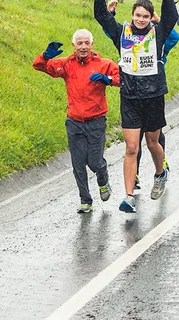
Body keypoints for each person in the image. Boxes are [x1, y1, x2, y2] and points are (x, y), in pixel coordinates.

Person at [93, 0, 177, 213]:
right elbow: (101, 17)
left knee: (152, 142)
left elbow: (171, 17)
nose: (141, 19)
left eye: (145, 16)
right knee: (131, 147)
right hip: (129, 97)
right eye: (138, 15)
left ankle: (160, 174)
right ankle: (129, 196)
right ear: (132, 15)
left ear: (151, 18)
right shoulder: (122, 33)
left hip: (153, 96)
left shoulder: (157, 33)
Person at [32, 30, 119, 213]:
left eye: (86, 43)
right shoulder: (67, 64)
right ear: (74, 46)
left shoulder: (103, 64)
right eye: (80, 43)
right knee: (78, 164)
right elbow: (39, 66)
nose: (83, 47)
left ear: (92, 44)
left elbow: (124, 78)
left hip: (96, 121)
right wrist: (46, 56)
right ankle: (85, 200)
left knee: (94, 162)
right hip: (74, 122)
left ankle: (103, 179)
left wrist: (107, 79)